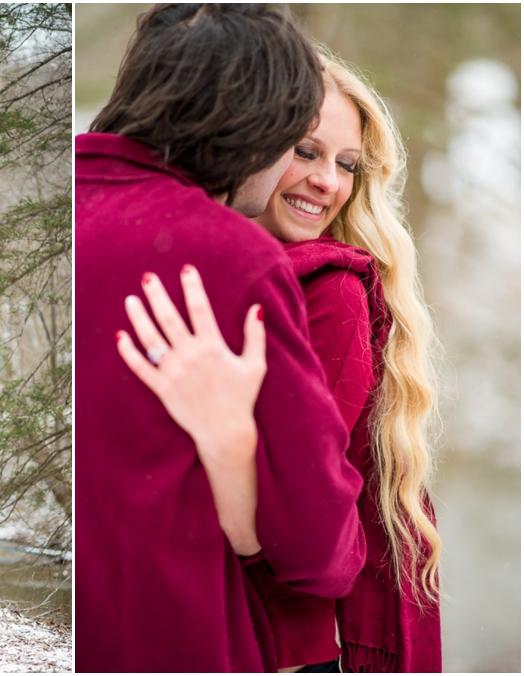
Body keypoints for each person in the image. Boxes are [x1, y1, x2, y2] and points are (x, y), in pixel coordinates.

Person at [119, 50, 442, 673]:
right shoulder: (191, 270)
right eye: (305, 151)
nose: (328, 181)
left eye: (347, 165)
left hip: (278, 639)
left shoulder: (329, 293)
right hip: (182, 612)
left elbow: (301, 519)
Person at [76, 4, 365, 672]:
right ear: (259, 128)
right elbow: (324, 553)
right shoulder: (230, 259)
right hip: (178, 640)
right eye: (297, 143)